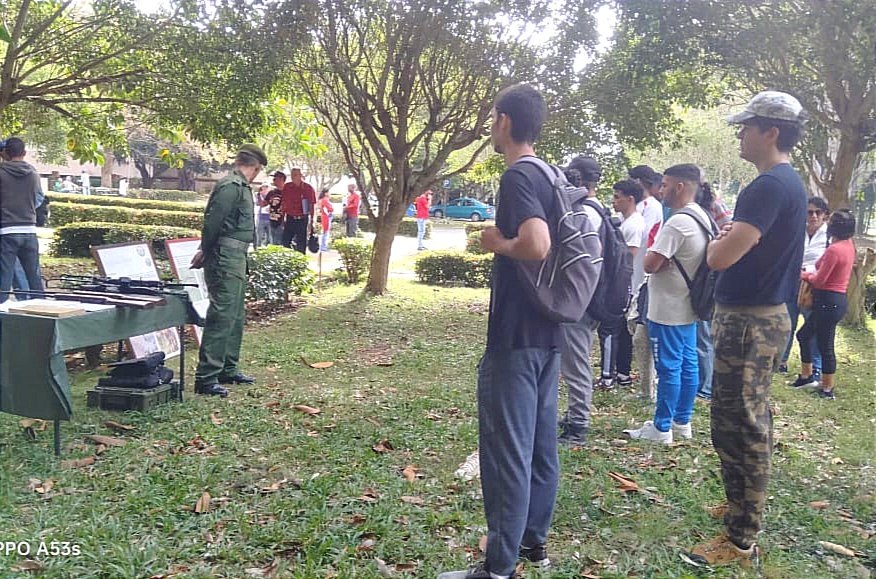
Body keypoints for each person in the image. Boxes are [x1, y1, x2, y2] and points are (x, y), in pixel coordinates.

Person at [438, 83, 571, 579]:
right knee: (540, 448)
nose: (491, 126)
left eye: (494, 118)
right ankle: (533, 545)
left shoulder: (518, 175)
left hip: (514, 338)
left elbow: (536, 245)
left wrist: (497, 241)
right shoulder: (552, 176)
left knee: (506, 453)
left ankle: (498, 567)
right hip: (549, 332)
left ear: (506, 122)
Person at [688, 91, 808, 567]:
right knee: (735, 419)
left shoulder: (768, 186)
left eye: (746, 126)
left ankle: (741, 538)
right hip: (756, 316)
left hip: (750, 321)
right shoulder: (784, 183)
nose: (740, 134)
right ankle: (740, 504)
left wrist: (723, 243)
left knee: (743, 424)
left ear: (771, 132)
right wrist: (728, 239)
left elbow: (719, 255)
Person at [623, 164, 711, 444]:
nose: (661, 190)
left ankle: (661, 428)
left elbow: (650, 262)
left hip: (667, 308)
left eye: (665, 185)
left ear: (680, 187)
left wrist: (660, 260)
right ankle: (682, 421)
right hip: (687, 305)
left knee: (669, 367)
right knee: (687, 364)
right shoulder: (701, 216)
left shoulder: (677, 222)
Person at [189, 144, 266, 398]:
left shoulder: (241, 186)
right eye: (258, 170)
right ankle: (206, 377)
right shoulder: (231, 186)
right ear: (254, 167)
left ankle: (227, 369)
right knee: (222, 316)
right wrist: (205, 250)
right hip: (224, 258)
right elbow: (213, 222)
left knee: (234, 316)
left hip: (236, 257)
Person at [557, 154, 604, 447]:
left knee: (576, 365)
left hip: (581, 302)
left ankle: (578, 425)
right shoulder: (597, 210)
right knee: (574, 362)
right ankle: (574, 415)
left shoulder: (585, 214)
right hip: (589, 300)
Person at [793, 209, 856, 399]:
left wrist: (803, 274)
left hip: (828, 300)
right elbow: (821, 264)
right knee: (805, 335)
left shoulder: (835, 249)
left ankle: (827, 388)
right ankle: (807, 376)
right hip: (835, 301)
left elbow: (819, 280)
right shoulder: (846, 245)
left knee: (825, 345)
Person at [598, 180, 645, 390]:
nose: (614, 201)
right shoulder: (624, 222)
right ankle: (622, 374)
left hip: (624, 285)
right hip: (625, 285)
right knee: (622, 332)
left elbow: (627, 258)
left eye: (617, 196)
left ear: (630, 199)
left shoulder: (633, 225)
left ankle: (608, 377)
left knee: (608, 329)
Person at [779, 196, 829, 374]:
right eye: (809, 212)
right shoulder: (796, 231)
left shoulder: (829, 236)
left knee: (811, 328)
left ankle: (814, 366)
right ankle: (781, 361)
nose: (813, 216)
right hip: (793, 283)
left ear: (824, 215)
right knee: (787, 322)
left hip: (814, 287)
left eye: (818, 212)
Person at [694, 178, 731, 401]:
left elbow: (728, 230)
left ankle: (706, 386)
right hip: (710, 275)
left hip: (712, 276)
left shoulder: (714, 208)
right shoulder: (702, 209)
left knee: (704, 334)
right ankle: (704, 382)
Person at [0, 137, 45, 303]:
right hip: (29, 229)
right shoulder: (34, 174)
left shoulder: (2, 173)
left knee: (4, 276)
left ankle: (2, 314)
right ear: (25, 153)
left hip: (6, 230)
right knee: (34, 276)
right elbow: (39, 198)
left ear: (5, 153)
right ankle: (42, 308)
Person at [281, 168, 316, 253]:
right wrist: (282, 217)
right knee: (285, 242)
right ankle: (289, 259)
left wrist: (312, 221)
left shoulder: (308, 188)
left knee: (301, 243)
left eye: (296, 175)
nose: (293, 177)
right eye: (292, 175)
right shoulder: (287, 187)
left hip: (302, 218)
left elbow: (311, 205)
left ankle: (300, 261)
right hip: (290, 218)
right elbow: (284, 202)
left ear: (300, 175)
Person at [267, 172, 286, 245]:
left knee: (280, 242)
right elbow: (263, 203)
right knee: (273, 242)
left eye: (275, 178)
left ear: (281, 179)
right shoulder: (272, 192)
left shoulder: (287, 191)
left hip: (282, 221)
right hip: (272, 219)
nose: (273, 180)